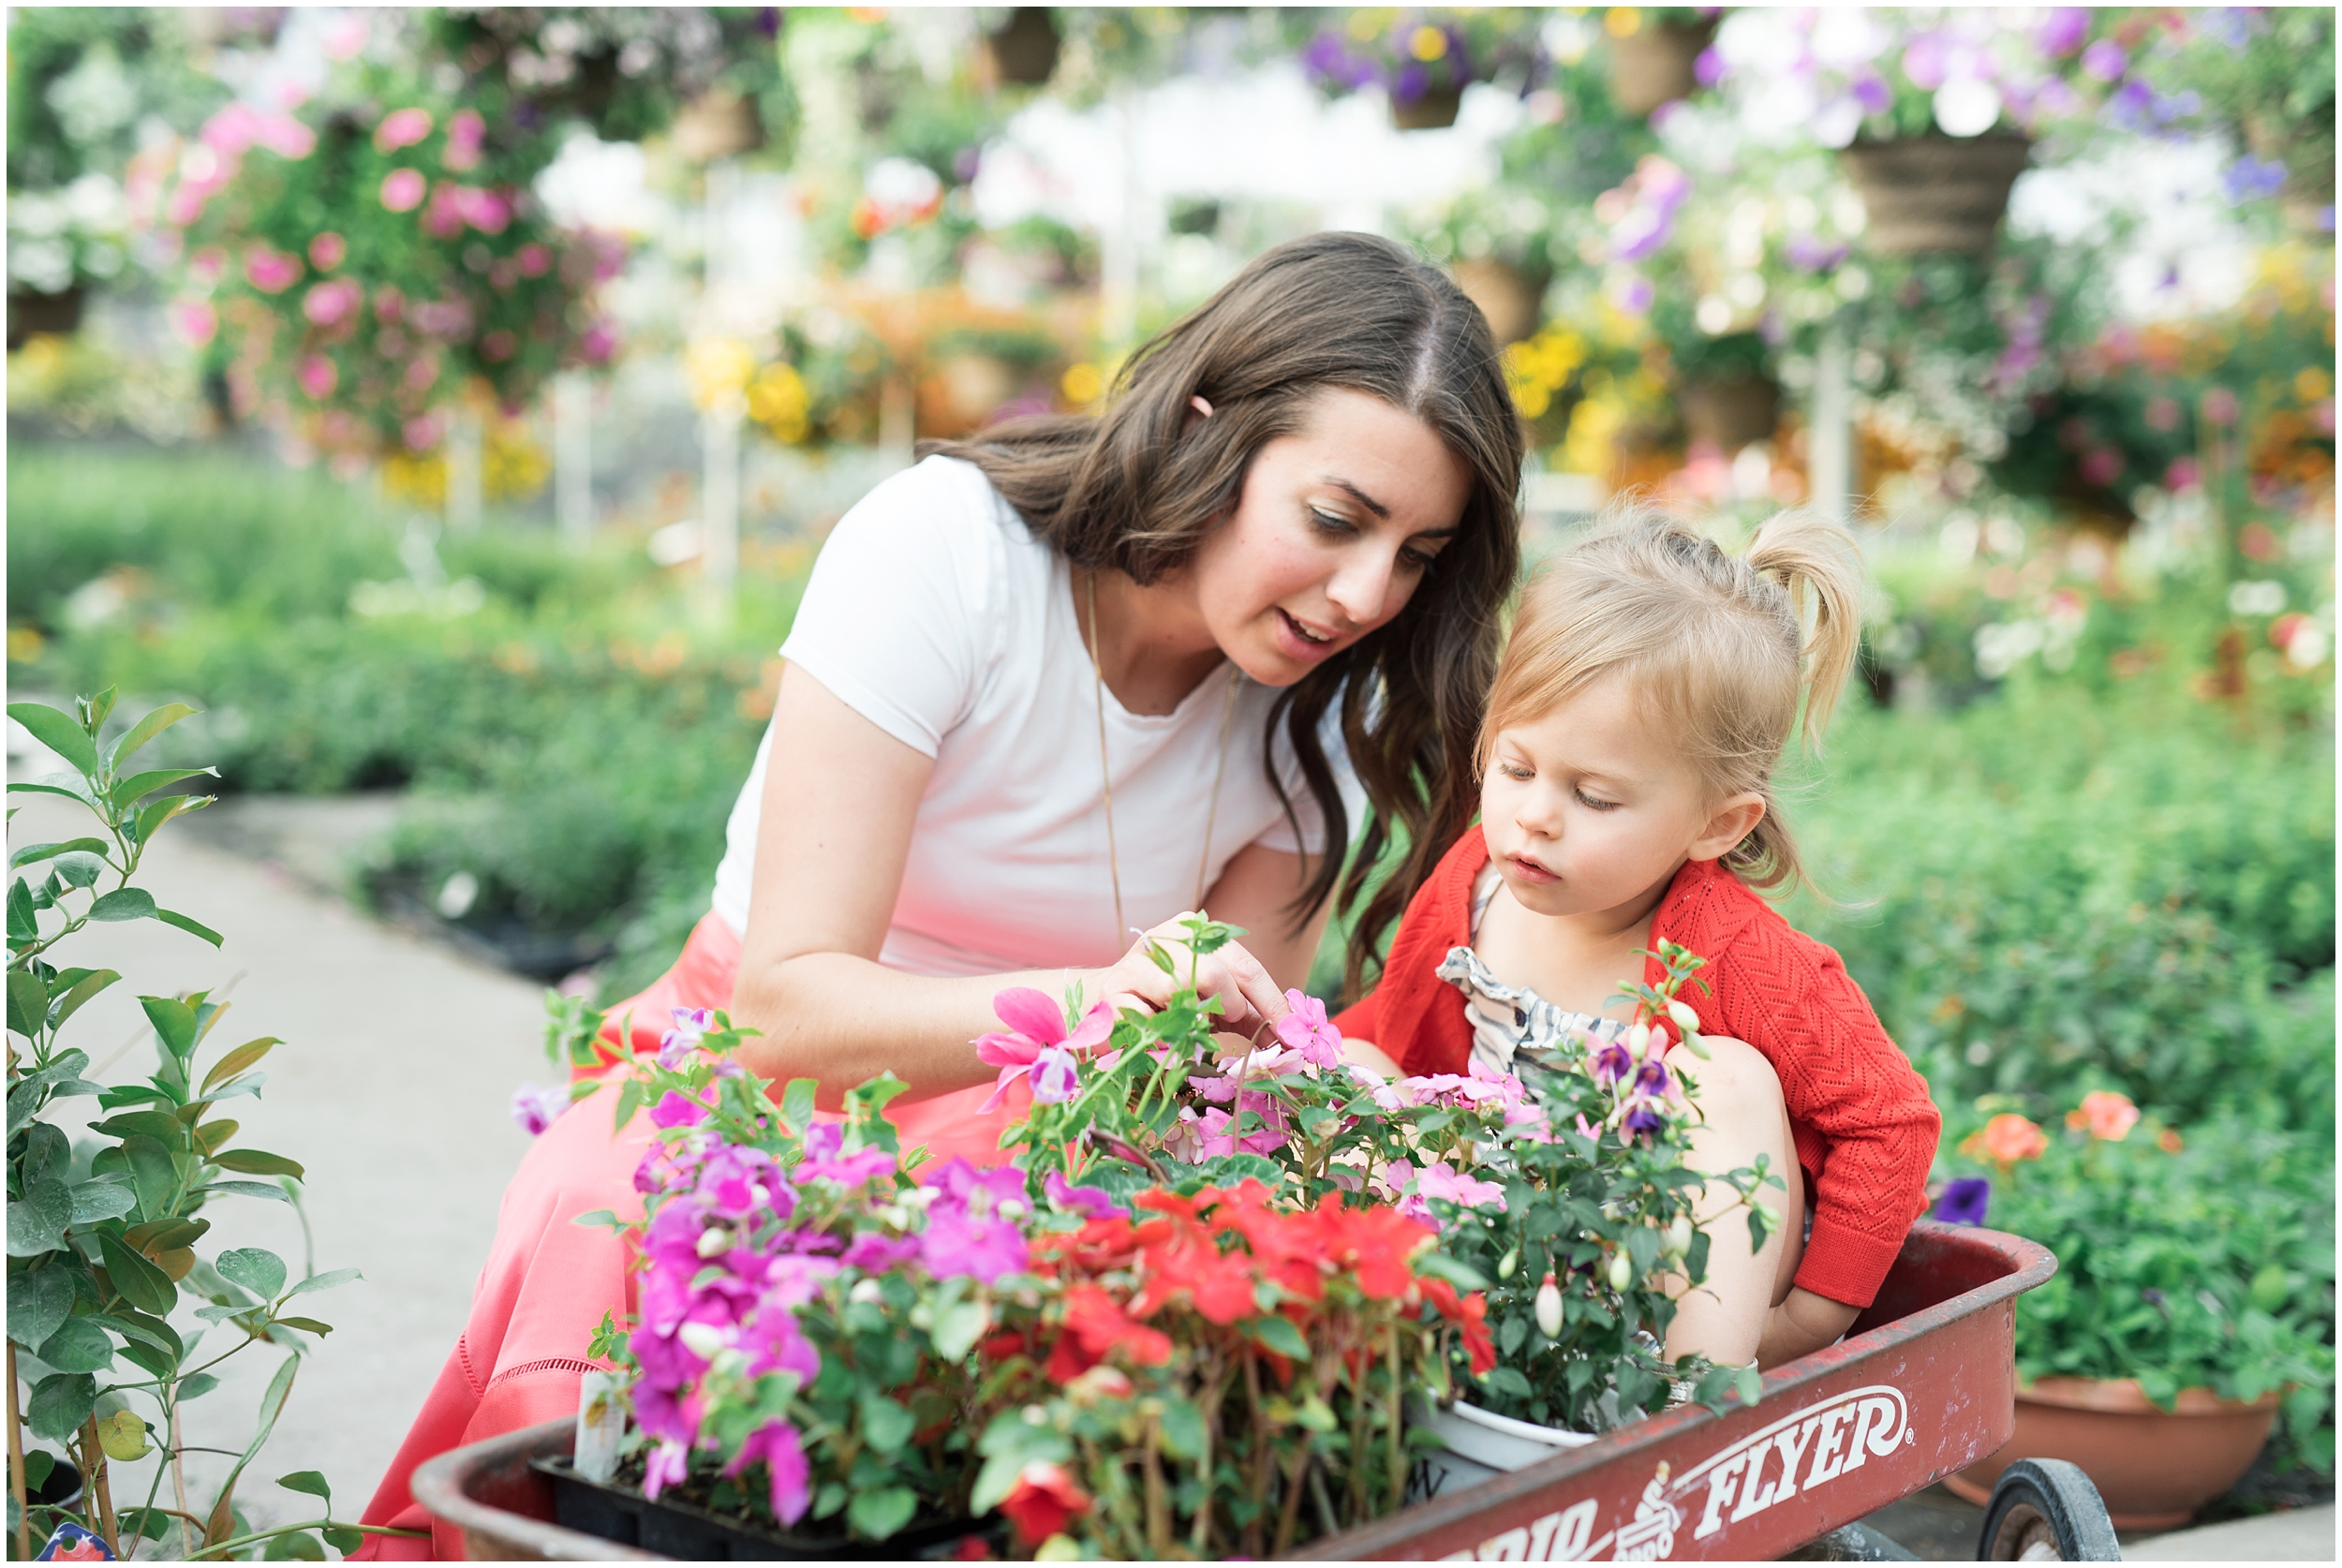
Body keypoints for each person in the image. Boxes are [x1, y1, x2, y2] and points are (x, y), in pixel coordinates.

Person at [354, 231, 1526, 1556]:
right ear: (1211, 428)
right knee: (608, 1217)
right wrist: (1099, 1001)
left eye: (1420, 554)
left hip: (1045, 1130)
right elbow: (781, 1013)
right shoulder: (947, 554)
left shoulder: (1315, 728)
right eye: (1335, 519)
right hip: (756, 1083)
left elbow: (1209, 1080)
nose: (1369, 594)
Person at [1333, 506, 1940, 1375]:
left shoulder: (1738, 957)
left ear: (1716, 824)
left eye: (1596, 798)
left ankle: (1687, 1416)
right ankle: (1406, 1344)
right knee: (1359, 1070)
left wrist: (1808, 1320)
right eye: (1516, 768)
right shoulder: (1474, 886)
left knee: (1724, 1080)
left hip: (1662, 1290)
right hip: (1502, 1263)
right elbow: (1394, 1031)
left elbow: (1891, 1123)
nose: (1536, 815)